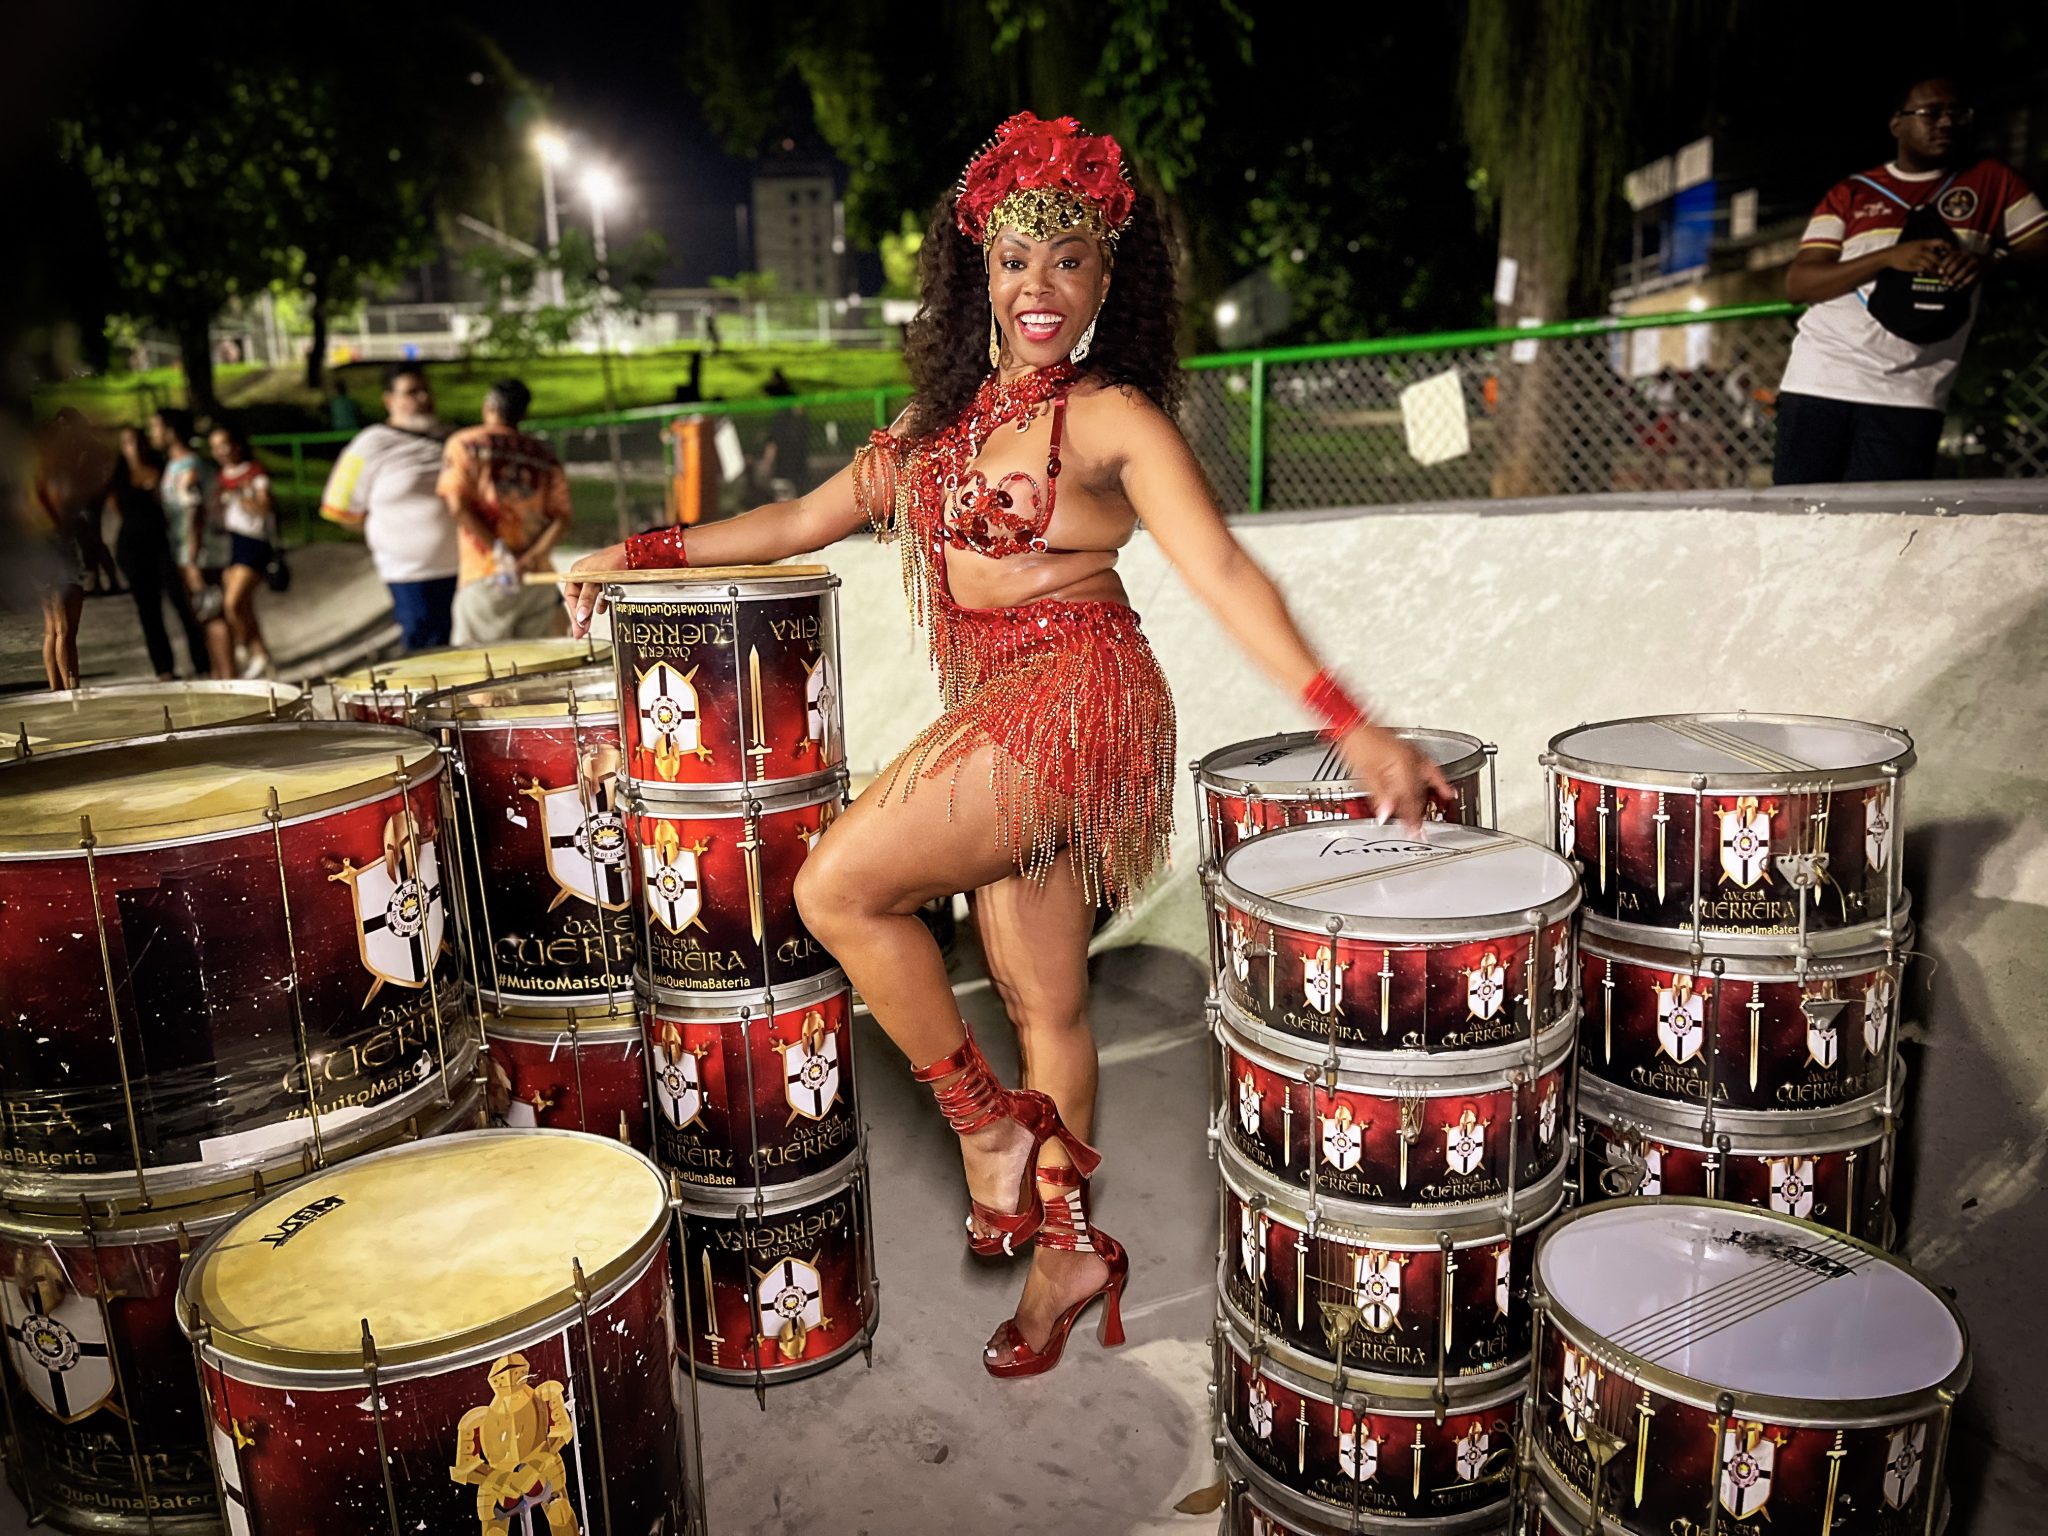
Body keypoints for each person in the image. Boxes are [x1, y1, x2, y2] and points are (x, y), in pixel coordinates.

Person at [564, 112, 1446, 1378]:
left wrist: (1347, 720)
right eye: (1015, 258)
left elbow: (1220, 568)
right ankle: (1068, 1253)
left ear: (1106, 279)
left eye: (1070, 260)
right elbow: (799, 518)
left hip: (1075, 696)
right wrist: (634, 552)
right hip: (1002, 704)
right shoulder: (935, 428)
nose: (1041, 286)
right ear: (976, 270)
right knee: (1043, 1001)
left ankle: (983, 1130)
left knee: (836, 887)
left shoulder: (1113, 417)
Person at [1775, 75, 2046, 484]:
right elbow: (1799, 284)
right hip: (1820, 379)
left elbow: (2041, 249)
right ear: (1897, 123)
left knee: (1884, 517)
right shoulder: (1852, 193)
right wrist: (1887, 258)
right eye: (1931, 113)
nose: (1946, 122)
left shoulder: (1993, 181)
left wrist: (1988, 263)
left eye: (1957, 113)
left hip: (1912, 392)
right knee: (1798, 511)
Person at [319, 363, 458, 650]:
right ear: (389, 400)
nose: (423, 398)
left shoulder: (453, 439)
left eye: (425, 390)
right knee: (428, 659)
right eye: (411, 392)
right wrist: (390, 538)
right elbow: (340, 509)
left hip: (465, 571)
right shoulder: (370, 445)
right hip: (410, 576)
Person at [440, 378, 573, 643]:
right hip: (537, 579)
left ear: (488, 407)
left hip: (487, 574)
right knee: (538, 663)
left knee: (479, 664)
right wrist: (531, 558)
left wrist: (503, 554)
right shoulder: (544, 456)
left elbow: (458, 507)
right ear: (523, 414)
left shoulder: (464, 444)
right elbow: (562, 518)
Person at [108, 428, 209, 680]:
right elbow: (116, 507)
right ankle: (164, 668)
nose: (134, 447)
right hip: (133, 546)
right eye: (127, 442)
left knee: (181, 601)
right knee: (148, 609)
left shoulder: (161, 467)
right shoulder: (119, 475)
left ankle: (202, 662)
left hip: (163, 542)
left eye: (137, 441)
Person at [30, 410, 116, 688]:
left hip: (43, 555)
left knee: (53, 629)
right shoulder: (55, 475)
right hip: (58, 555)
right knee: (65, 629)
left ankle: (57, 688)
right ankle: (70, 688)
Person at [149, 407, 234, 679]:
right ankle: (219, 675)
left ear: (171, 432)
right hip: (187, 550)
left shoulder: (189, 467)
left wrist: (192, 557)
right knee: (203, 615)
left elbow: (193, 513)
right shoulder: (175, 465)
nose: (152, 434)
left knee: (212, 612)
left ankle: (228, 677)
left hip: (201, 552)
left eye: (156, 428)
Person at [207, 421, 277, 678]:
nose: (220, 452)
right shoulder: (219, 477)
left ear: (236, 445)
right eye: (214, 447)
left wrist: (240, 496)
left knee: (233, 602)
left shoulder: (254, 472)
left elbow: (265, 508)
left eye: (224, 445)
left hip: (254, 541)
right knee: (243, 606)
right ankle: (260, 654)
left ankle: (245, 645)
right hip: (230, 541)